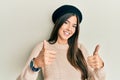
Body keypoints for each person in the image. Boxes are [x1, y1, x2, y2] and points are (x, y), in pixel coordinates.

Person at [17, 5, 105, 80]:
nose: (69, 29)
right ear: (58, 23)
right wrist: (35, 65)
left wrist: (99, 68)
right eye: (66, 22)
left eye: (74, 26)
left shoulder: (80, 48)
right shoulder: (43, 47)